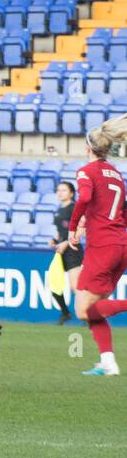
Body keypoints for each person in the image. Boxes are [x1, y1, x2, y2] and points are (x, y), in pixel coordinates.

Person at [68, 116, 127, 376]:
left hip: (103, 245)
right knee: (95, 309)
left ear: (88, 148)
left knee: (82, 310)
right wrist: (86, 222)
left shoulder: (86, 171)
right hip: (119, 243)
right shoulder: (116, 174)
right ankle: (108, 362)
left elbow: (85, 197)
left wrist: (73, 227)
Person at [48, 180, 79, 324]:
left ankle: (89, 316)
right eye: (58, 190)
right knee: (53, 282)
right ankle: (65, 312)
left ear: (72, 193)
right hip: (61, 252)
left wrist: (67, 242)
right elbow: (61, 231)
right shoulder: (59, 210)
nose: (60, 192)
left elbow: (80, 229)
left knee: (75, 287)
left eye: (64, 190)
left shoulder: (74, 208)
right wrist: (54, 240)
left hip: (73, 251)